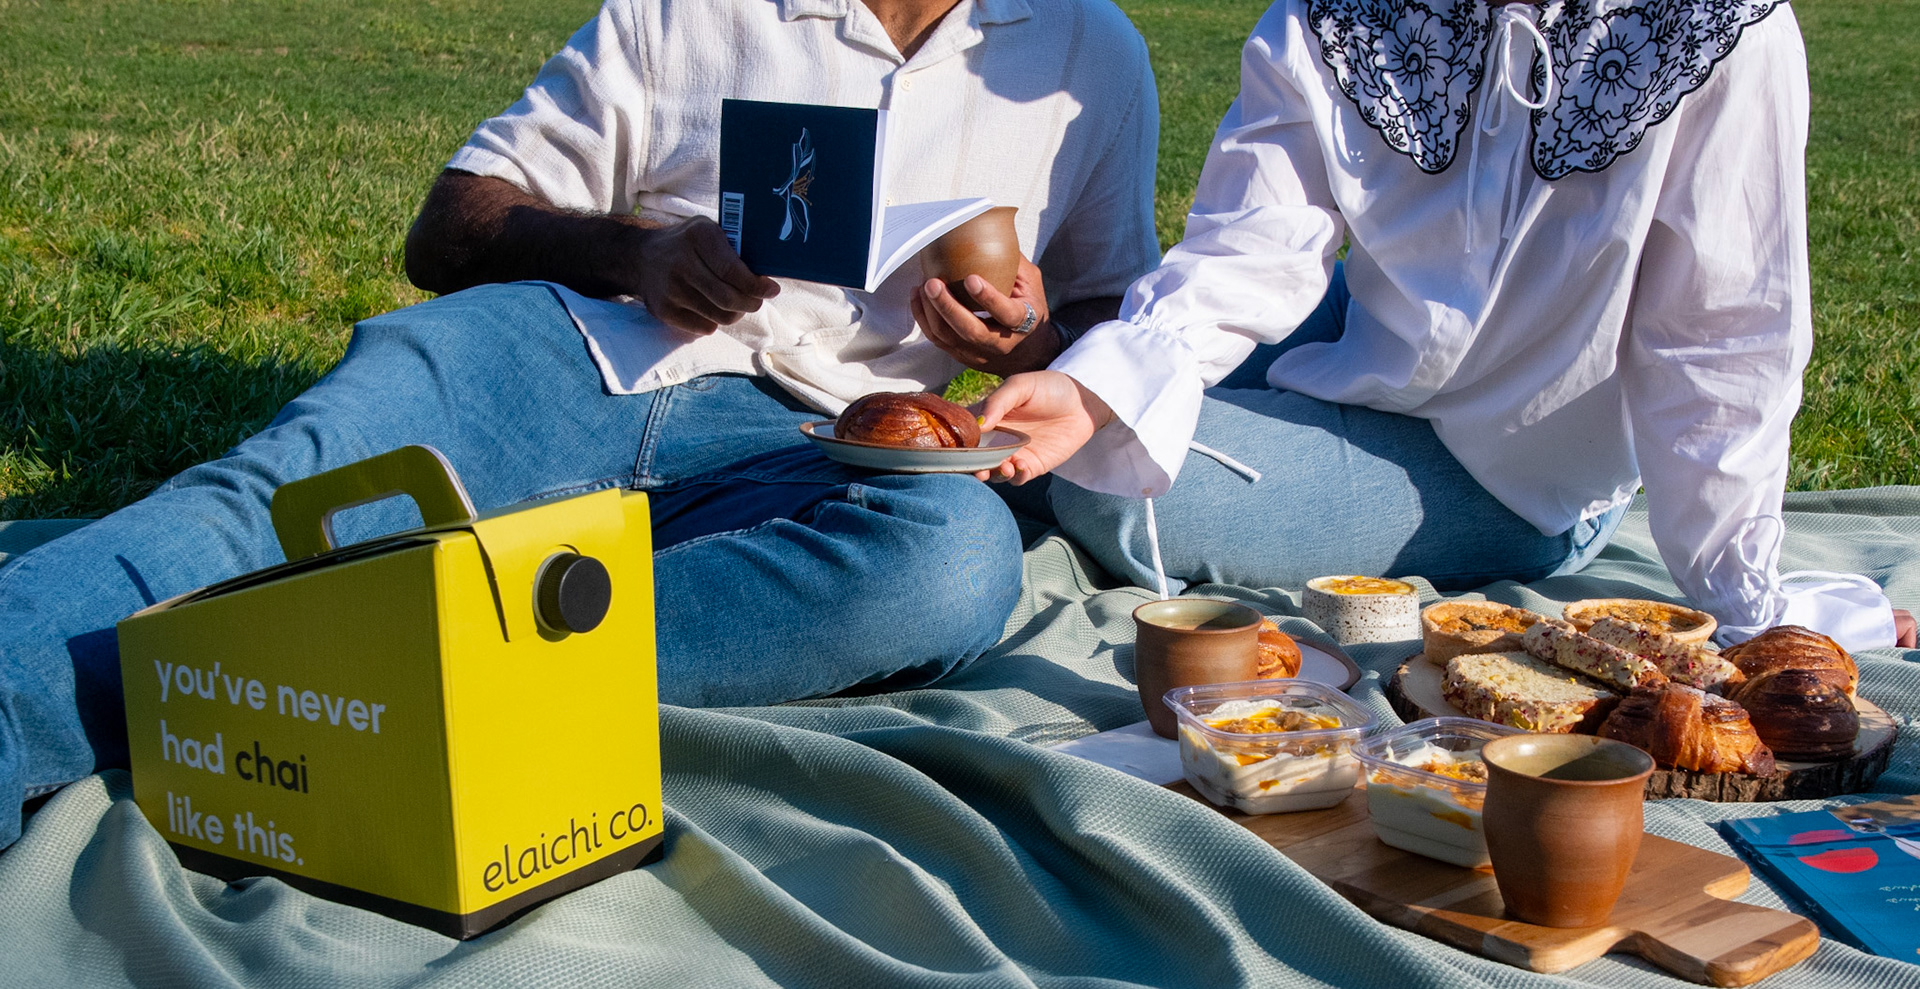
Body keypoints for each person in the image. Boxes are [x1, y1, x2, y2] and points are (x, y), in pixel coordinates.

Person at [0, 0, 1161, 849]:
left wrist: (1030, 344)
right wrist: (637, 253)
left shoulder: (1087, 53)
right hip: (557, 357)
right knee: (258, 505)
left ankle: (372, 690)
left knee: (952, 558)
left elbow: (1113, 313)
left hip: (813, 449)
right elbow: (448, 228)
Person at [971, 0, 1911, 649]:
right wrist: (1102, 385)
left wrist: (1746, 601)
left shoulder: (1716, 29)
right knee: (1107, 409)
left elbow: (1721, 340)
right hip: (1370, 334)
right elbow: (1254, 240)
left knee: (1115, 494)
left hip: (1515, 465)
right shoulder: (1343, 15)